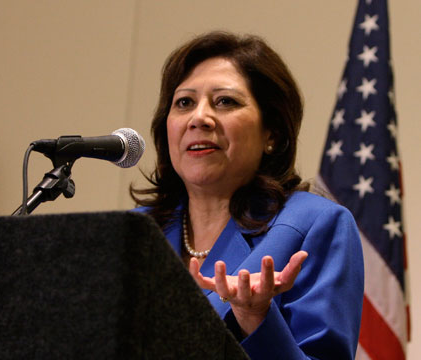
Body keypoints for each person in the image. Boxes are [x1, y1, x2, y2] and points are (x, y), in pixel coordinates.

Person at [130, 31, 364, 359]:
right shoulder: (135, 233)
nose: (199, 118)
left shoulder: (316, 225)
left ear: (272, 133)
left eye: (225, 101)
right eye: (184, 102)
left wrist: (256, 320)